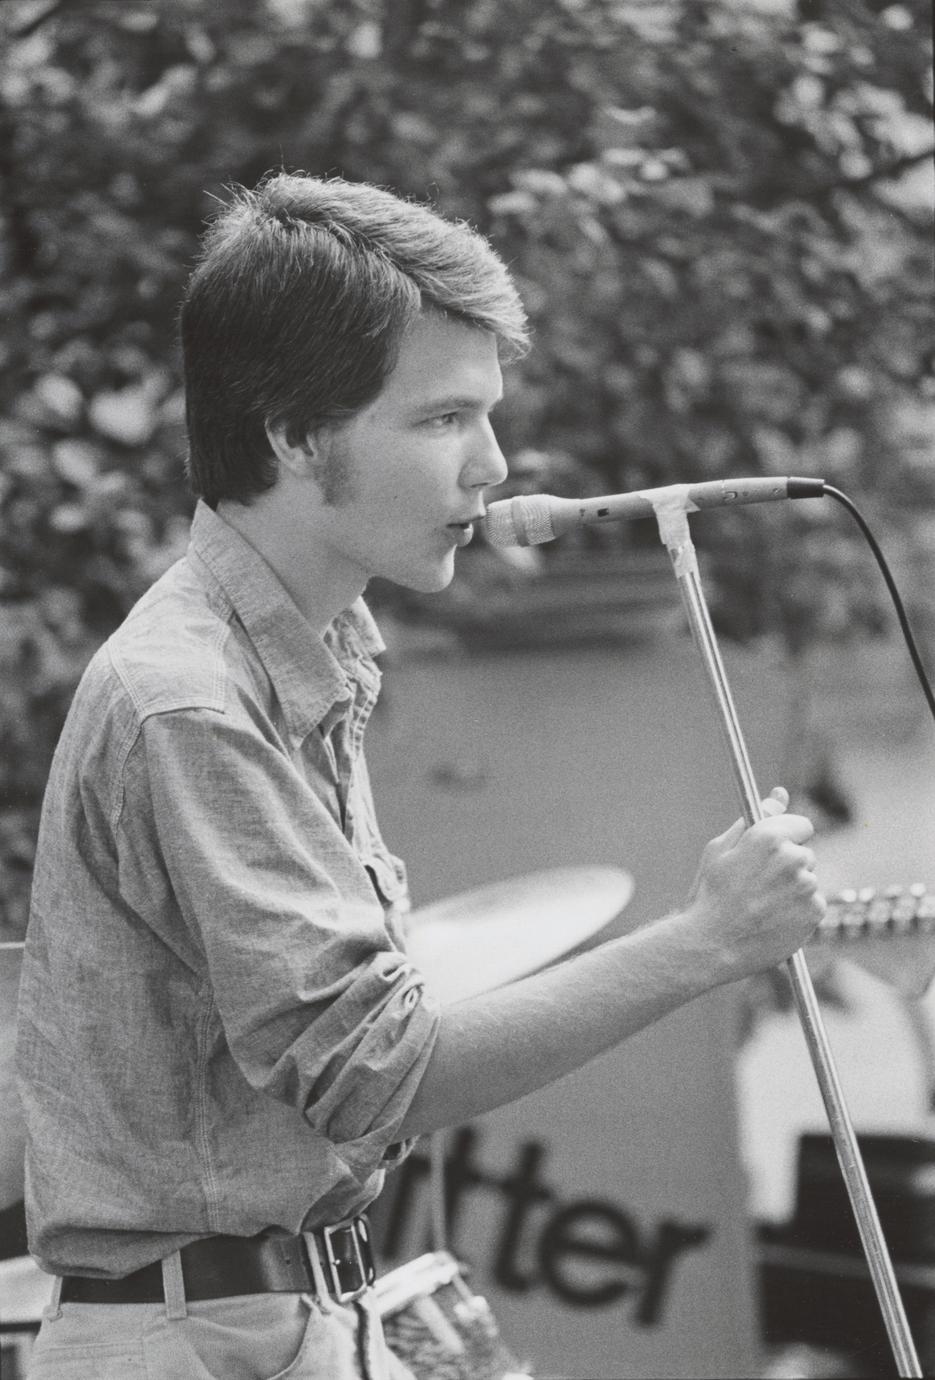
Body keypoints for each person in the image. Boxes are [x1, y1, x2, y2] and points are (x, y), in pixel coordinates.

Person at [15, 172, 825, 1380]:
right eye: (443, 419)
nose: (491, 464)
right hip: (193, 1341)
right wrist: (703, 943)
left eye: (486, 416)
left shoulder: (309, 654)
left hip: (281, 1319)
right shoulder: (188, 697)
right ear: (294, 435)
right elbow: (375, 1077)